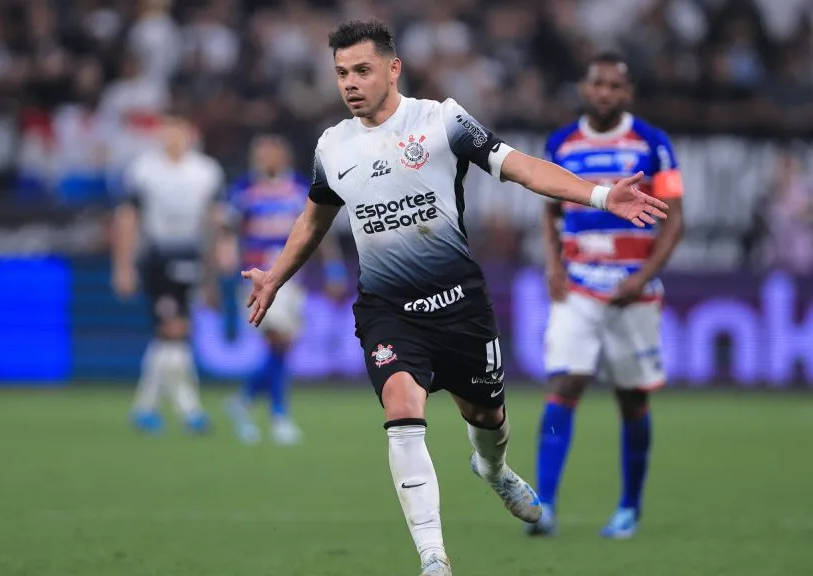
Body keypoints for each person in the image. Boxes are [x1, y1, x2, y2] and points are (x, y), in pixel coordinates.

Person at [239, 21, 668, 576]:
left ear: (393, 68)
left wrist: (602, 195)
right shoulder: (332, 145)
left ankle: (493, 470)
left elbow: (522, 168)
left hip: (460, 303)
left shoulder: (441, 120)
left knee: (487, 417)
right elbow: (314, 218)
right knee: (401, 405)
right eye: (342, 72)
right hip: (387, 309)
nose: (350, 83)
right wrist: (276, 275)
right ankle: (434, 559)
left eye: (362, 70)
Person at [530, 53, 685, 539]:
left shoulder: (653, 144)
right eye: (598, 84)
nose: (605, 93)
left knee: (632, 400)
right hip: (578, 286)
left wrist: (642, 278)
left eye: (615, 86)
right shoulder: (561, 142)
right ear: (584, 87)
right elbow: (551, 214)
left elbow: (675, 219)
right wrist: (553, 265)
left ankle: (628, 509)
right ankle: (544, 507)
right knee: (564, 384)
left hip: (631, 292)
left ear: (628, 93)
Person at [215, 134, 348, 445]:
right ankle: (279, 416)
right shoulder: (243, 190)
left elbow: (320, 229)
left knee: (282, 347)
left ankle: (244, 401)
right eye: (260, 153)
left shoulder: (301, 188)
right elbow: (225, 230)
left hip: (292, 279)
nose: (264, 159)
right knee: (276, 340)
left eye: (270, 153)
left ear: (283, 156)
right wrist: (223, 264)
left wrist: (334, 269)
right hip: (259, 277)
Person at [112, 116, 223, 435]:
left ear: (190, 135)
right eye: (167, 132)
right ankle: (191, 411)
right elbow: (127, 218)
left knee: (169, 337)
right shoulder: (143, 170)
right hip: (157, 258)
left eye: (178, 132)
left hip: (191, 256)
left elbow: (212, 222)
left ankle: (144, 409)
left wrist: (212, 270)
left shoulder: (206, 171)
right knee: (173, 331)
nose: (172, 138)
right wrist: (123, 265)